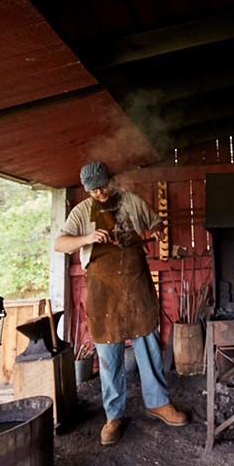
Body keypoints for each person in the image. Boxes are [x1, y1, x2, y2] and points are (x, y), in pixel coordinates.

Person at [55, 161, 188, 445]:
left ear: (111, 181)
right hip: (103, 290)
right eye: (93, 190)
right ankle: (113, 416)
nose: (100, 193)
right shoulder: (81, 211)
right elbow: (60, 243)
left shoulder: (131, 201)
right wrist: (88, 237)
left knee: (149, 345)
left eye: (103, 187)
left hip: (136, 282)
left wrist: (156, 231)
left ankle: (158, 403)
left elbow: (155, 224)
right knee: (108, 353)